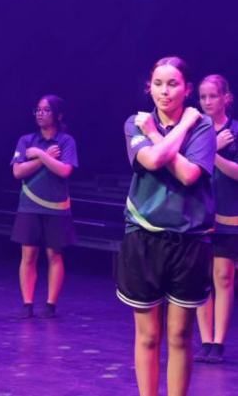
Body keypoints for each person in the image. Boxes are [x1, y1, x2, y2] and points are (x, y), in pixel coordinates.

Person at [117, 56, 215, 396]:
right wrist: (172, 129)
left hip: (188, 241)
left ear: (187, 89)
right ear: (149, 87)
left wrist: (183, 126)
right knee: (148, 336)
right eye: (158, 83)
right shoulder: (136, 123)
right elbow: (153, 160)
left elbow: (189, 175)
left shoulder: (203, 127)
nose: (164, 91)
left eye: (173, 84)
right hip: (144, 239)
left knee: (178, 336)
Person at [10, 95, 77, 319]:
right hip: (29, 206)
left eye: (46, 110)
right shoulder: (26, 140)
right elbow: (18, 172)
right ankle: (27, 303)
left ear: (57, 115)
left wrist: (39, 155)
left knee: (54, 255)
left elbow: (65, 170)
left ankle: (50, 304)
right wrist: (43, 156)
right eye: (37, 110)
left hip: (56, 208)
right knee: (28, 255)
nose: (40, 114)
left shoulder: (66, 141)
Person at [195, 74, 238, 364]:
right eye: (202, 97)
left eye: (212, 96)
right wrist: (210, 144)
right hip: (197, 214)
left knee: (223, 276)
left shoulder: (234, 131)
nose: (207, 102)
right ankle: (205, 340)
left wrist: (213, 154)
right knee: (200, 279)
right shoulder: (194, 131)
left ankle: (218, 342)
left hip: (228, 214)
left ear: (226, 98)